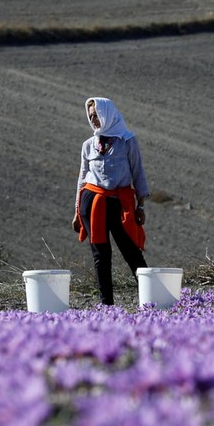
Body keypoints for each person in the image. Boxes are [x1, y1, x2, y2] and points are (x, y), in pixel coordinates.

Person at [72, 97, 150, 306]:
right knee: (100, 254)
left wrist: (140, 205)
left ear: (107, 114)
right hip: (92, 202)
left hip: (119, 203)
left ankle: (152, 298)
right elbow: (82, 178)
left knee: (131, 251)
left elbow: (138, 172)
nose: (94, 120)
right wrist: (77, 211)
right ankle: (107, 304)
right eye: (91, 117)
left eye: (97, 115)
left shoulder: (127, 141)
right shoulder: (89, 145)